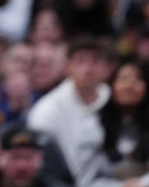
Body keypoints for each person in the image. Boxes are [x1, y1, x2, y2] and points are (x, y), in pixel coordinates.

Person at [78, 60, 149, 187]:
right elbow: (86, 180)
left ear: (148, 86)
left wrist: (146, 182)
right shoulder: (93, 125)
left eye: (137, 79)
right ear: (111, 87)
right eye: (123, 79)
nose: (129, 85)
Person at [27, 37, 111, 179]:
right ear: (68, 67)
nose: (89, 67)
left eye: (95, 60)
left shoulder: (114, 98)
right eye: (81, 61)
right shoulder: (47, 111)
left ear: (105, 68)